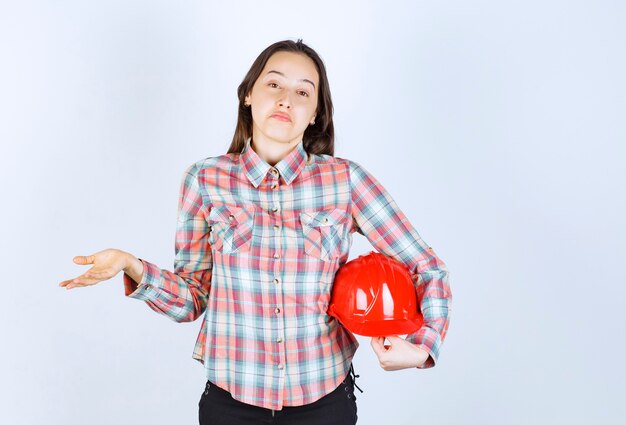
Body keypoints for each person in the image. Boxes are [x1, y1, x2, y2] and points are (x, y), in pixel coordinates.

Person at [59, 39, 452, 425]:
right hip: (230, 405)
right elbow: (192, 297)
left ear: (315, 112)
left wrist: (423, 347)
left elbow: (426, 266)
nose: (286, 100)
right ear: (248, 94)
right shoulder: (205, 179)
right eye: (274, 84)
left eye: (303, 92)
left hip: (325, 403)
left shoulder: (346, 182)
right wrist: (132, 266)